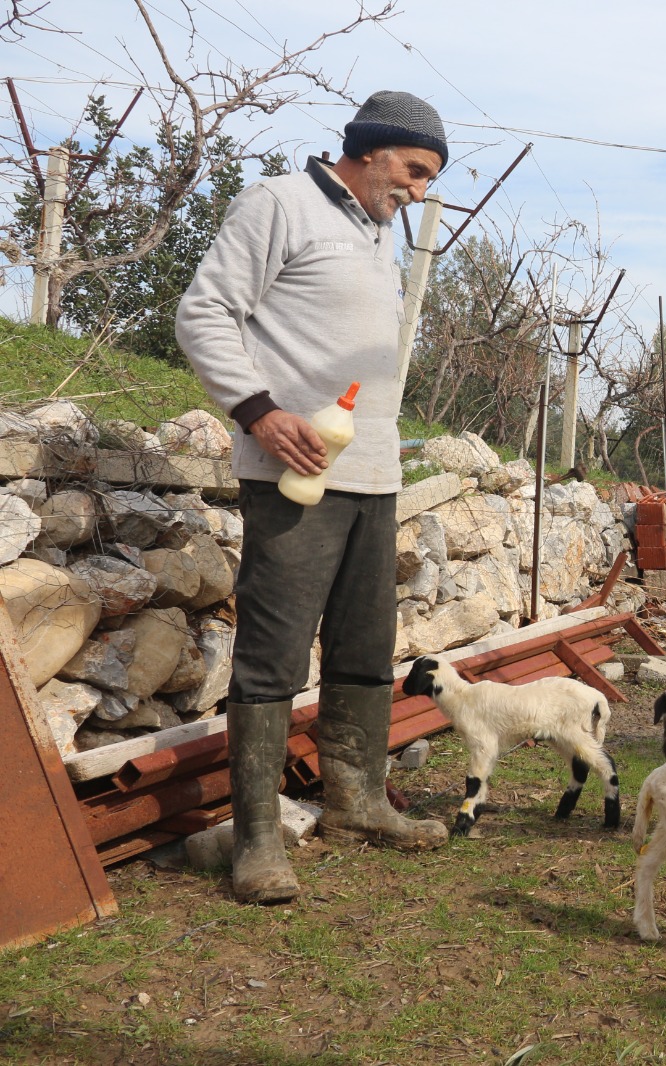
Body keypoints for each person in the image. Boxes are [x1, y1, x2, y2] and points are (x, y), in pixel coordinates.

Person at [176, 91, 451, 904]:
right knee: (273, 652)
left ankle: (357, 801)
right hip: (295, 472)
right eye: (414, 170)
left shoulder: (375, 231)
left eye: (428, 177)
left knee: (367, 645)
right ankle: (257, 840)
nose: (420, 191)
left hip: (372, 473)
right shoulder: (279, 203)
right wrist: (259, 411)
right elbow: (204, 313)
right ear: (369, 150)